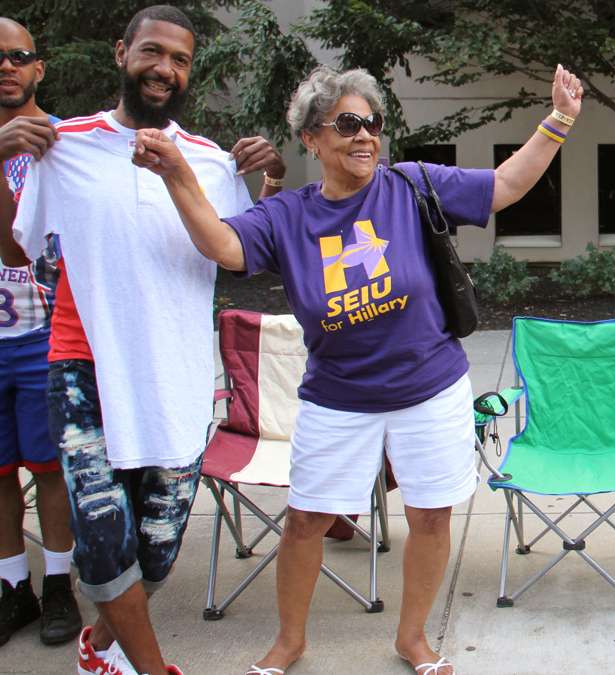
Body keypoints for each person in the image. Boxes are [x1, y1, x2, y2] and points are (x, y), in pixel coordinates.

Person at [134, 62, 583, 675]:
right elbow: (221, 244)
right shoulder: (288, 216)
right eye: (348, 123)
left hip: (430, 387)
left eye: (373, 122)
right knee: (306, 521)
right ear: (312, 138)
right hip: (337, 397)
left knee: (428, 513)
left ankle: (413, 639)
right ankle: (289, 641)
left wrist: (558, 121)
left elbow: (504, 185)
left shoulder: (412, 184)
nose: (365, 135)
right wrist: (178, 175)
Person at [0, 6, 286, 674]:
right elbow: (19, 249)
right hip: (84, 368)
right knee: (101, 539)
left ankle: (100, 645)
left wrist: (268, 182)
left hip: (178, 378)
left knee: (155, 550)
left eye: (180, 60)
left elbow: (247, 257)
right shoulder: (63, 145)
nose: (164, 69)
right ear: (122, 53)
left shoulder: (213, 164)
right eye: (152, 52)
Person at [0, 16, 82, 649]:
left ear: (37, 68)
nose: (6, 67)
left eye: (18, 56)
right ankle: (12, 588)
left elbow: (22, 249)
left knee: (50, 468)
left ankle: (58, 583)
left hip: (41, 332)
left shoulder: (62, 144)